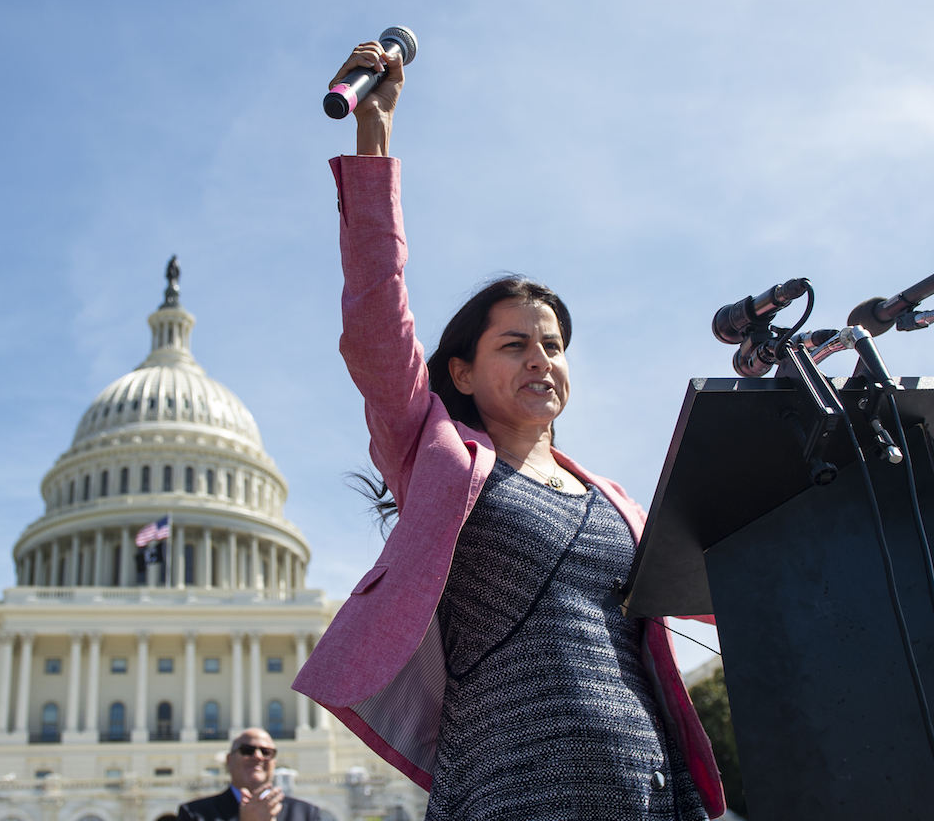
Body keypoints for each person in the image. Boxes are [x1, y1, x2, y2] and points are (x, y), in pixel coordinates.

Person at [291, 42, 727, 819]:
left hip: (649, 787)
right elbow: (377, 327)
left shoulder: (615, 501)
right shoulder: (437, 458)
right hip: (508, 787)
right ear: (460, 372)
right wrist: (376, 141)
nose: (541, 361)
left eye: (554, 346)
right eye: (515, 344)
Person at [178, 728, 320, 821]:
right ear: (229, 760)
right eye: (247, 750)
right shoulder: (195, 813)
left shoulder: (306, 813)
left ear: (274, 763)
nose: (258, 757)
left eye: (266, 752)